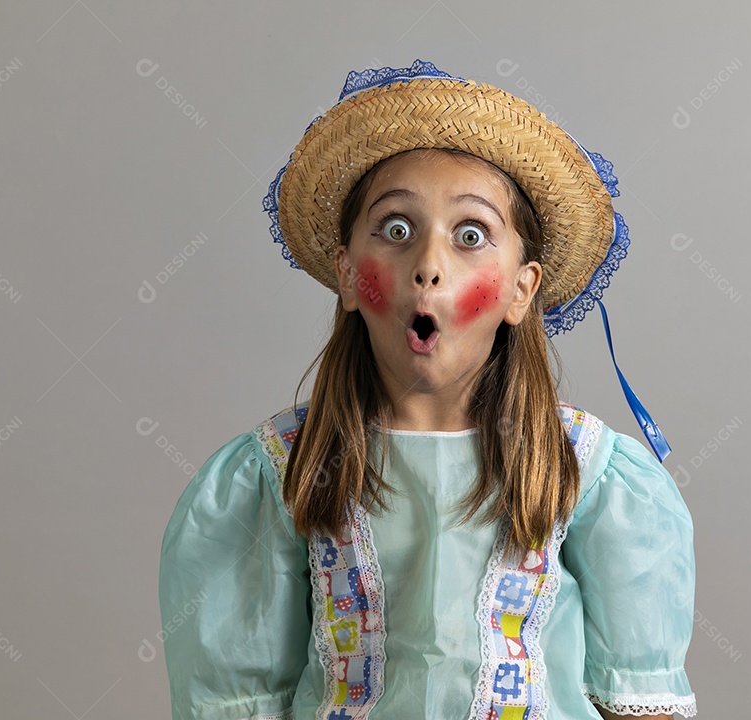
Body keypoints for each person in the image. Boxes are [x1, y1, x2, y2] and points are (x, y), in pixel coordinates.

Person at [159, 60, 697, 720]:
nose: (430, 266)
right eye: (395, 230)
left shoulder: (589, 474)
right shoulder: (280, 472)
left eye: (471, 236)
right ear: (350, 275)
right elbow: (235, 701)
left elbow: (639, 706)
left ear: (521, 290)